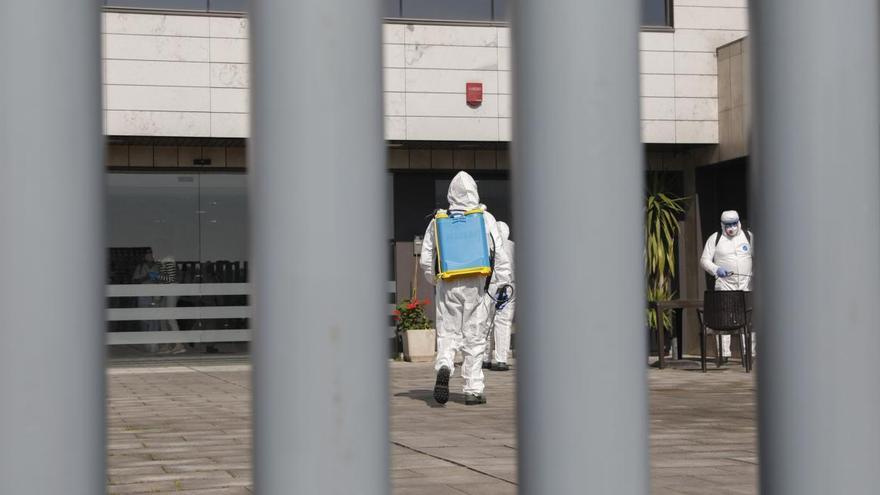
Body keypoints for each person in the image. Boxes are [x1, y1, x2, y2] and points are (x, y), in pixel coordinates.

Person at [420, 171, 511, 406]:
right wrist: (502, 284)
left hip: (448, 282)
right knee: (475, 336)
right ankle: (473, 389)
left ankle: (444, 365)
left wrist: (435, 280)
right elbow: (499, 255)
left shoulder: (438, 220)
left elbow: (426, 258)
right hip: (477, 283)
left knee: (448, 333)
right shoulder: (485, 218)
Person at [700, 210, 754, 362]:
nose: (731, 228)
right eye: (727, 225)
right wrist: (716, 269)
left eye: (733, 224)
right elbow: (704, 260)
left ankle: (749, 353)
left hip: (745, 285)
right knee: (723, 319)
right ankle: (724, 354)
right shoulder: (715, 238)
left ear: (738, 223)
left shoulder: (748, 237)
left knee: (748, 319)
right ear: (722, 225)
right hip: (724, 286)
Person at [482, 221, 515, 372]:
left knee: (486, 321)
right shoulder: (512, 247)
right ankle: (501, 360)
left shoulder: (486, 245)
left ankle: (485, 358)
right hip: (508, 286)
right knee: (503, 322)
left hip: (489, 286)